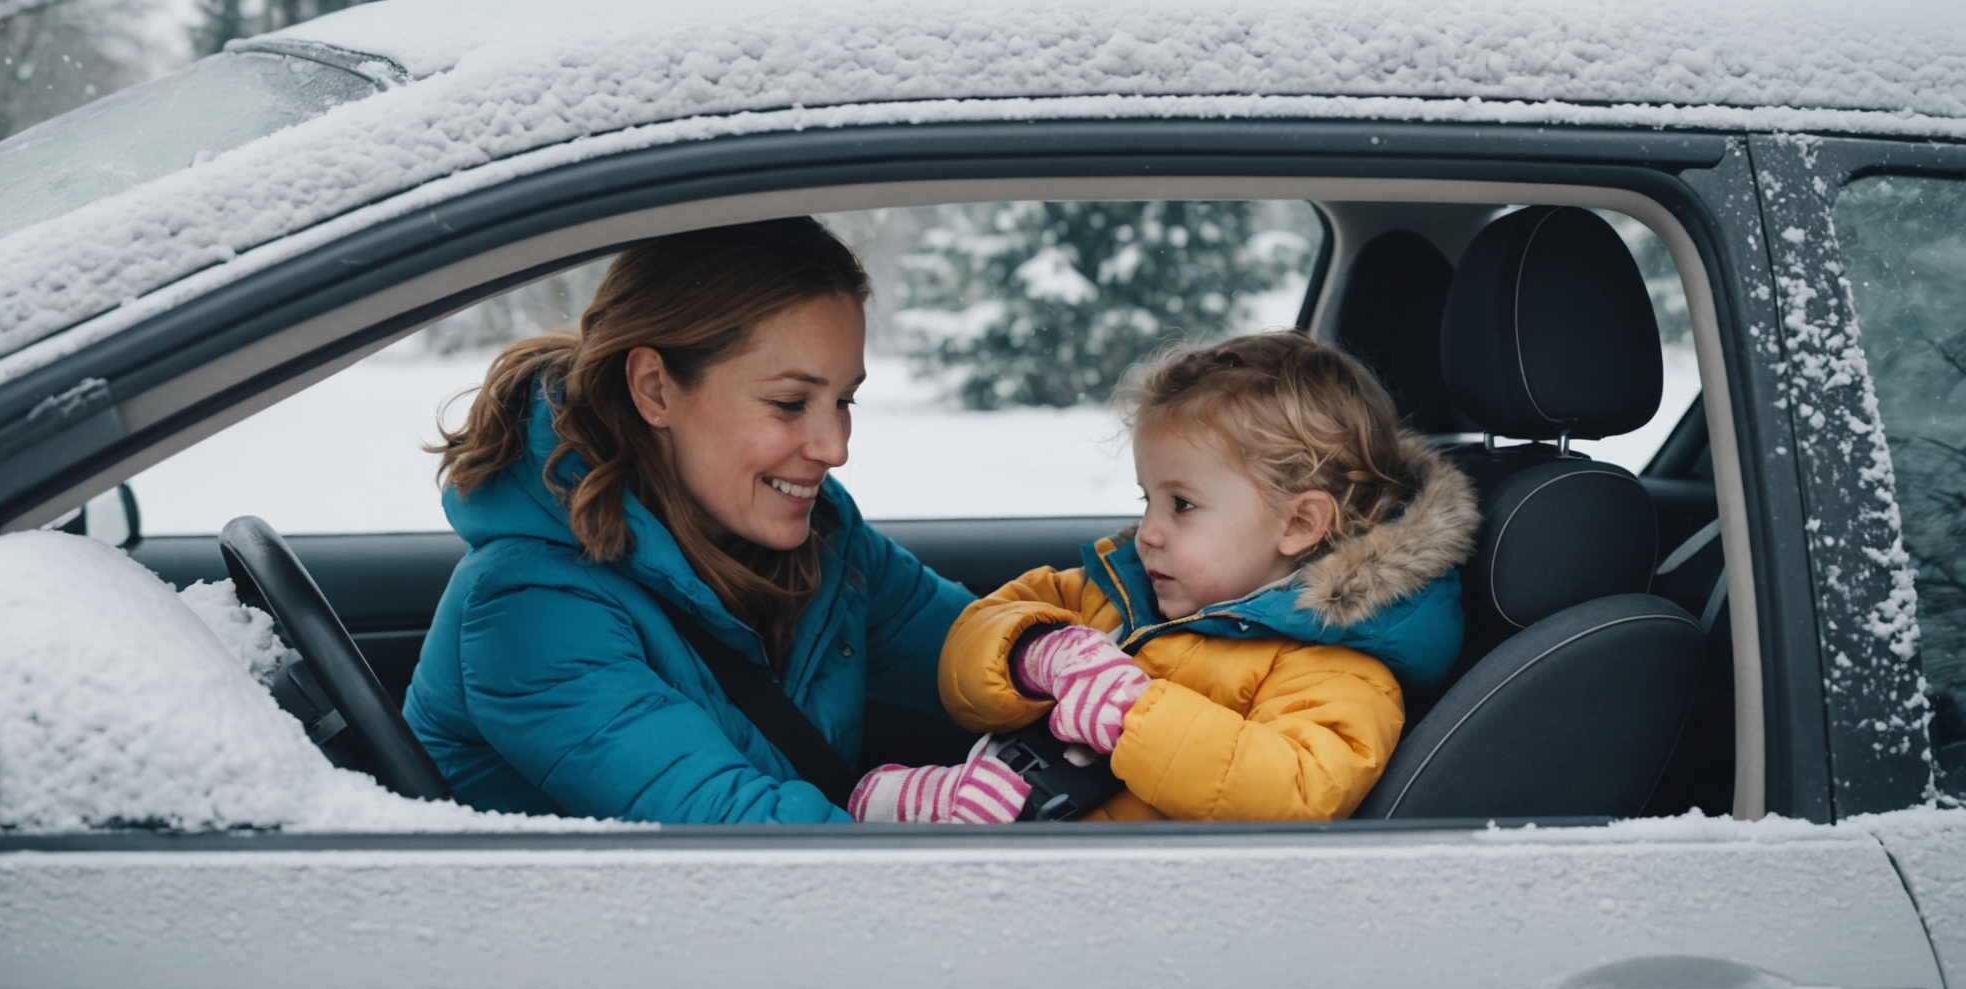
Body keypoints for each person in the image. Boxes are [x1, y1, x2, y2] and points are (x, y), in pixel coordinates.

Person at [405, 217, 976, 824]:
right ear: (654, 389)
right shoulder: (527, 609)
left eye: (844, 401)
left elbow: (963, 642)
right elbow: (746, 840)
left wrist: (1047, 660)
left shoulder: (827, 540)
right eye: (789, 403)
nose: (834, 447)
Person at [848, 331, 1478, 823]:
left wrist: (1132, 714)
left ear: (1299, 524)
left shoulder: (1337, 666)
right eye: (1146, 497)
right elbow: (970, 641)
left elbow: (1296, 791)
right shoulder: (1116, 591)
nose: (1147, 531)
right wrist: (1036, 653)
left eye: (1182, 504)